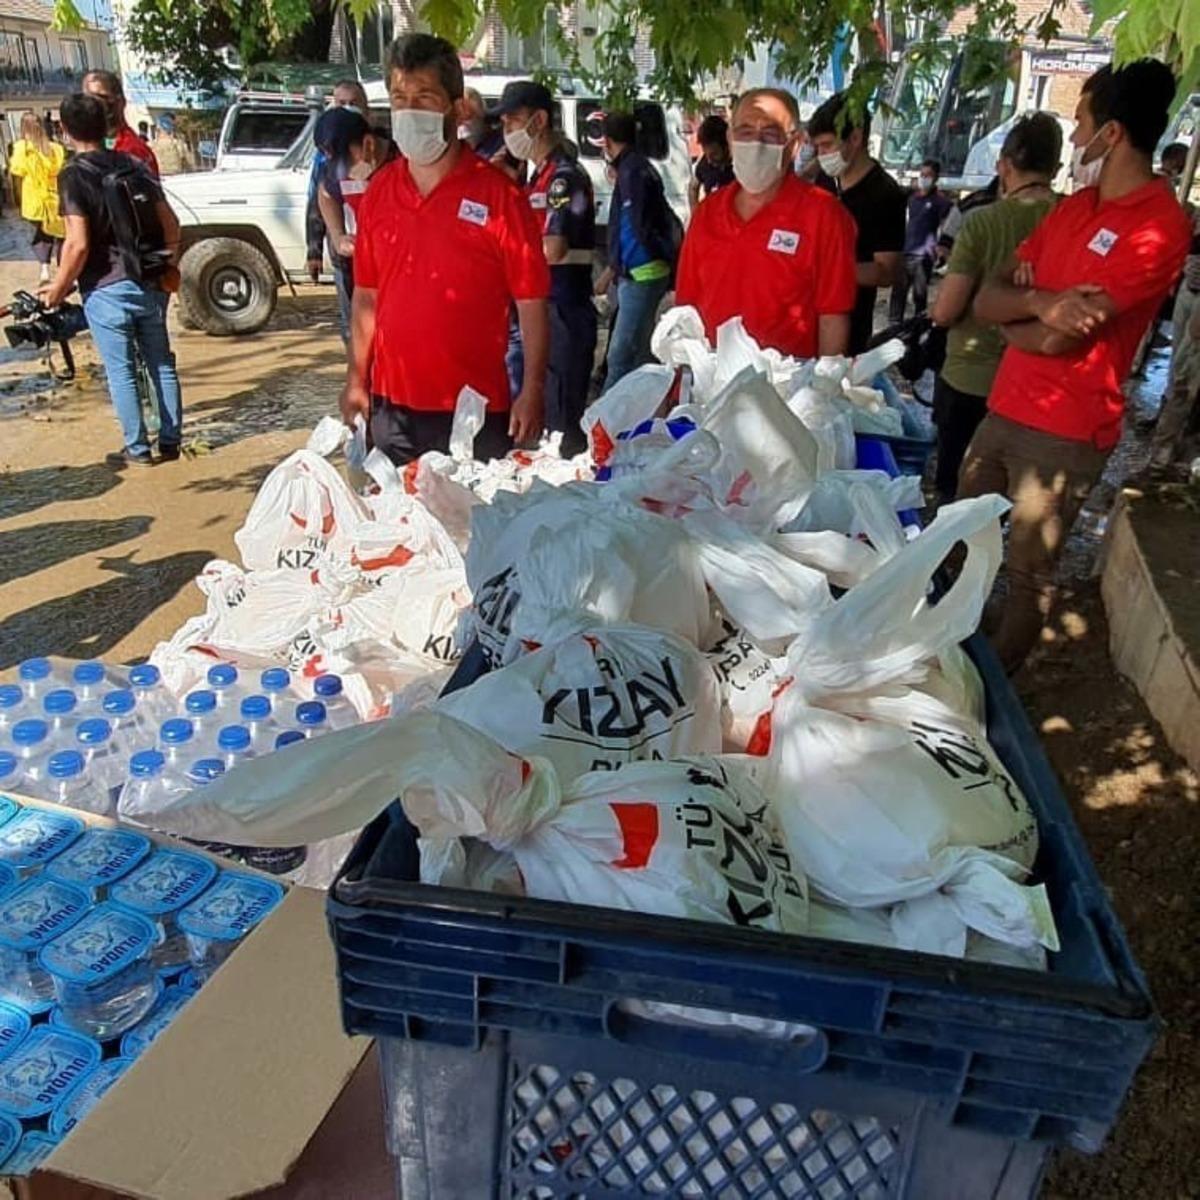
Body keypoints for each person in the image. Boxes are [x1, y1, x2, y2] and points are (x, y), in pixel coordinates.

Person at [963, 59, 1191, 673]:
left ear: (1111, 134)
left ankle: (992, 692)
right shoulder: (1073, 208)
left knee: (1027, 571)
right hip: (1007, 406)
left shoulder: (1159, 225)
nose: (1074, 138)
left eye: (1082, 122)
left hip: (1066, 431)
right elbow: (987, 296)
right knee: (957, 537)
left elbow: (1063, 341)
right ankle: (949, 645)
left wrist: (1022, 318)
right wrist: (1038, 304)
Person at [339, 34, 549, 465]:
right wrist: (356, 378)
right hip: (392, 408)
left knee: (471, 531)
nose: (409, 110)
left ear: (456, 108)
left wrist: (531, 390)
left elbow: (531, 303)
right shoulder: (379, 193)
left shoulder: (500, 198)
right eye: (399, 98)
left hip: (475, 412)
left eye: (425, 97)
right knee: (394, 528)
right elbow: (366, 295)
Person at [43, 93, 183, 467]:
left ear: (65, 129)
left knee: (120, 370)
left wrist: (57, 288)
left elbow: (77, 243)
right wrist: (167, 266)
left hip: (105, 289)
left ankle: (137, 449)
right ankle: (171, 443)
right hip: (148, 281)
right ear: (106, 124)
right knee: (161, 363)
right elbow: (171, 224)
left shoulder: (73, 175)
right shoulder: (134, 165)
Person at [929, 115, 1062, 503]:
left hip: (970, 378)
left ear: (1003, 165)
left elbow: (945, 311)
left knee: (954, 485)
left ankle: (948, 557)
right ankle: (986, 553)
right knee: (1004, 494)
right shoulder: (1068, 220)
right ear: (1055, 168)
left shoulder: (982, 222)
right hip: (1035, 381)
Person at [675, 88, 857, 359]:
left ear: (794, 144)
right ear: (730, 138)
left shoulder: (825, 216)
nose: (756, 143)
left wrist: (824, 390)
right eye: (745, 131)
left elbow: (832, 316)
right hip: (710, 386)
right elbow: (686, 307)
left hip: (784, 391)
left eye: (771, 134)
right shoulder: (708, 213)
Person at [495, 80, 595, 455]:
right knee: (535, 418)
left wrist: (509, 256)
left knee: (560, 422)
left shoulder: (562, 178)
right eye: (504, 124)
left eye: (513, 121)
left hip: (562, 309)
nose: (508, 132)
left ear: (538, 121)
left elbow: (553, 247)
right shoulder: (536, 177)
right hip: (541, 309)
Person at [808, 92, 906, 353]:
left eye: (827, 145)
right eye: (817, 147)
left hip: (851, 325)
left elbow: (886, 271)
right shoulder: (825, 181)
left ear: (855, 138)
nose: (821, 154)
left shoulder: (885, 194)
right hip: (807, 319)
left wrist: (827, 272)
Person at [596, 110, 678, 390]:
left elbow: (636, 228)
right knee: (639, 351)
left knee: (620, 354)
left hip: (641, 272)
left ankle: (604, 420)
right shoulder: (639, 167)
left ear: (606, 141)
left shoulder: (631, 171)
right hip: (646, 270)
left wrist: (617, 268)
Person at [315, 107, 398, 345]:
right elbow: (325, 194)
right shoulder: (338, 171)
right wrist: (338, 235)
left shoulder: (406, 164)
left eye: (347, 161)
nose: (346, 173)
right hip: (367, 276)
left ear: (369, 144)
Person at [304, 78, 369, 322]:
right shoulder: (326, 155)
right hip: (345, 256)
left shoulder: (392, 155)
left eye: (353, 103)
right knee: (352, 323)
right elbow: (320, 196)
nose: (347, 108)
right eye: (341, 103)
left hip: (383, 256)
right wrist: (315, 248)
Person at [890, 159, 952, 322]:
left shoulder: (940, 202)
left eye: (928, 175)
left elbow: (952, 221)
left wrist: (944, 246)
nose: (924, 178)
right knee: (898, 294)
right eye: (922, 175)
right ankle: (894, 327)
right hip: (906, 251)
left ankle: (918, 327)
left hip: (924, 255)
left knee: (919, 295)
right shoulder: (912, 198)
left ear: (936, 178)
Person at [9, 111, 65, 284]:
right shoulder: (55, 148)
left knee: (42, 235)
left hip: (34, 201)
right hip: (55, 197)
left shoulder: (21, 147)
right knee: (62, 235)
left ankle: (45, 270)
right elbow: (61, 169)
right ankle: (65, 269)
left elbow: (17, 170)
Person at [82, 70, 158, 177]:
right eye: (89, 99)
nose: (95, 105)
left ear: (121, 101)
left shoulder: (132, 150)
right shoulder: (86, 148)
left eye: (102, 98)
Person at [688, 114, 734, 209]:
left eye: (714, 154)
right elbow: (693, 187)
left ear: (727, 145)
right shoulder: (705, 163)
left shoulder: (741, 167)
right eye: (706, 154)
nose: (709, 161)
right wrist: (695, 214)